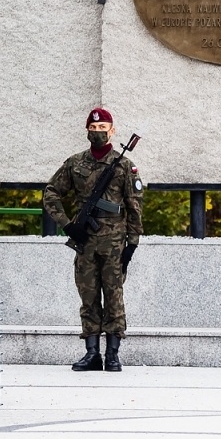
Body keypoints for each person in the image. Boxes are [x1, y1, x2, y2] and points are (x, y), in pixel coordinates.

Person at [42, 108, 142, 372]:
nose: (97, 133)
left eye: (103, 128)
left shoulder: (123, 165)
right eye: (93, 128)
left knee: (114, 297)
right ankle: (91, 353)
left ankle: (112, 354)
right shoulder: (75, 163)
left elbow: (134, 206)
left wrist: (132, 244)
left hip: (114, 244)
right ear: (87, 130)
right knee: (88, 297)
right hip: (85, 241)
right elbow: (51, 192)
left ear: (112, 131)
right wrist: (67, 225)